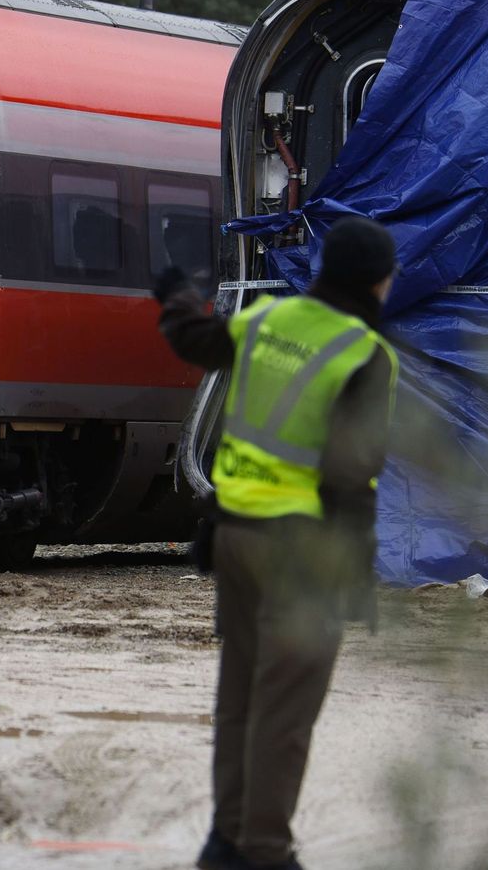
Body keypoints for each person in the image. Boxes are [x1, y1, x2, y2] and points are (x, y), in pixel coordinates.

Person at [157, 216, 400, 870]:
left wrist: (176, 289)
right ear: (379, 281)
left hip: (233, 535)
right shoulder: (364, 353)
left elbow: (191, 337)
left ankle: (226, 841)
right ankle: (266, 852)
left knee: (239, 697)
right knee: (285, 710)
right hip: (301, 551)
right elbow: (354, 475)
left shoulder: (266, 320)